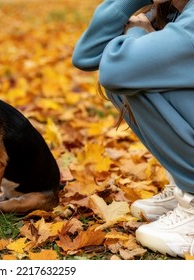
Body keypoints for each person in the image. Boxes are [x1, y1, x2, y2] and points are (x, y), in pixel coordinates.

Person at [72, 0, 194, 258]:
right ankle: (183, 183)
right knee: (131, 76)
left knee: (132, 77)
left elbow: (116, 70)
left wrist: (136, 31)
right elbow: (86, 56)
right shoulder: (175, 10)